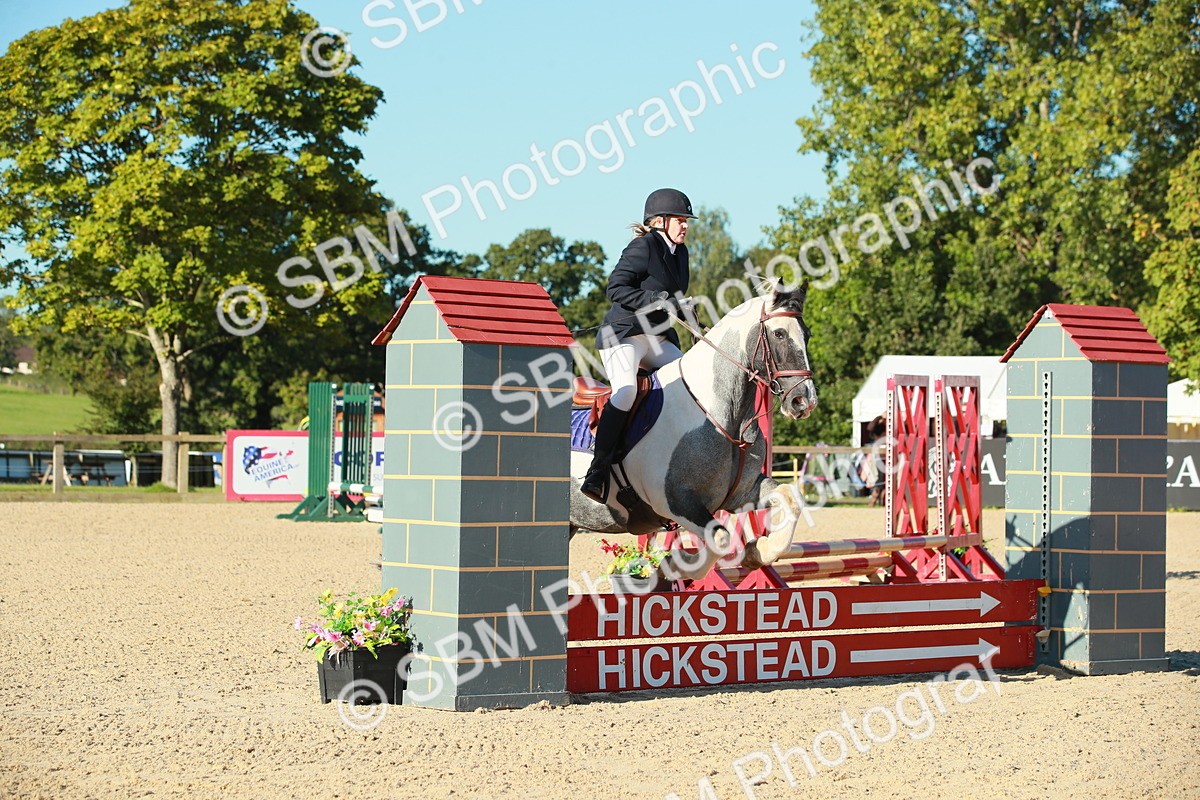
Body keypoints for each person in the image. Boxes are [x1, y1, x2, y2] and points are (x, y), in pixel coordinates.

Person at [581, 187, 698, 503]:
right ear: (659, 221)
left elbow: (673, 298)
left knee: (690, 381)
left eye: (687, 220)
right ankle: (598, 469)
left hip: (657, 339)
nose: (685, 225)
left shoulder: (681, 254)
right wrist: (653, 299)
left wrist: (694, 320)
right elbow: (615, 288)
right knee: (626, 390)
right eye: (679, 219)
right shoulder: (642, 246)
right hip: (624, 336)